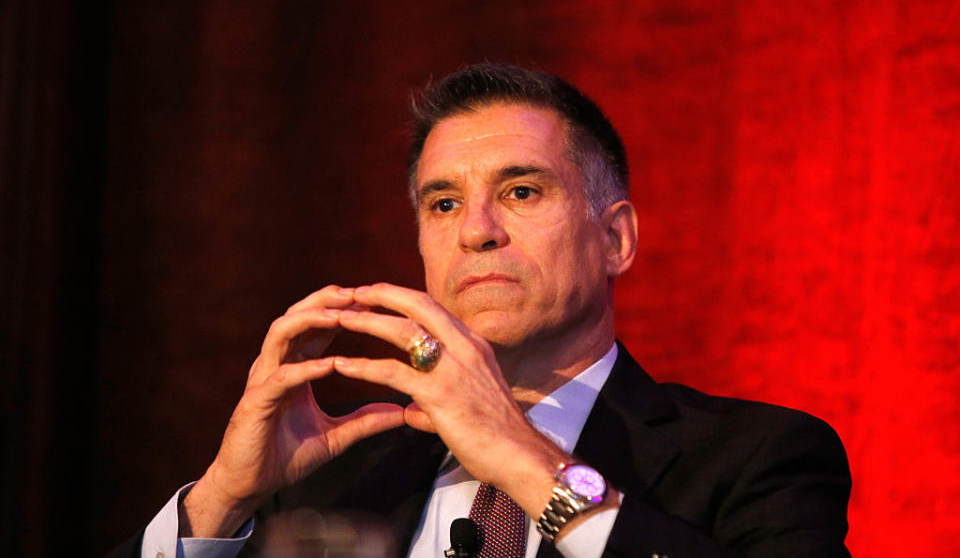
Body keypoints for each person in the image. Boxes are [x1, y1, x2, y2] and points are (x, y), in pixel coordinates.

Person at [108, 63, 852, 558]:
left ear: (615, 237)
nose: (476, 229)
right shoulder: (332, 483)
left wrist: (527, 459)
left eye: (522, 191)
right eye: (443, 202)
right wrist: (219, 503)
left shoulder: (758, 458)